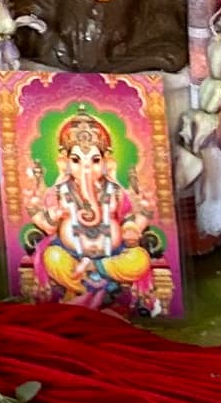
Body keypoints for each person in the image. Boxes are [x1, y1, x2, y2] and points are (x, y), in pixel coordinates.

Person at [21, 106, 157, 298]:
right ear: (64, 163)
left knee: (140, 259)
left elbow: (128, 219)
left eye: (95, 160)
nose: (86, 167)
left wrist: (134, 227)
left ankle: (94, 269)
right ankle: (83, 290)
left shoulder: (115, 191)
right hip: (71, 256)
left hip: (112, 257)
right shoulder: (59, 192)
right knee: (52, 258)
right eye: (76, 160)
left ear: (107, 163)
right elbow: (48, 227)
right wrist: (51, 216)